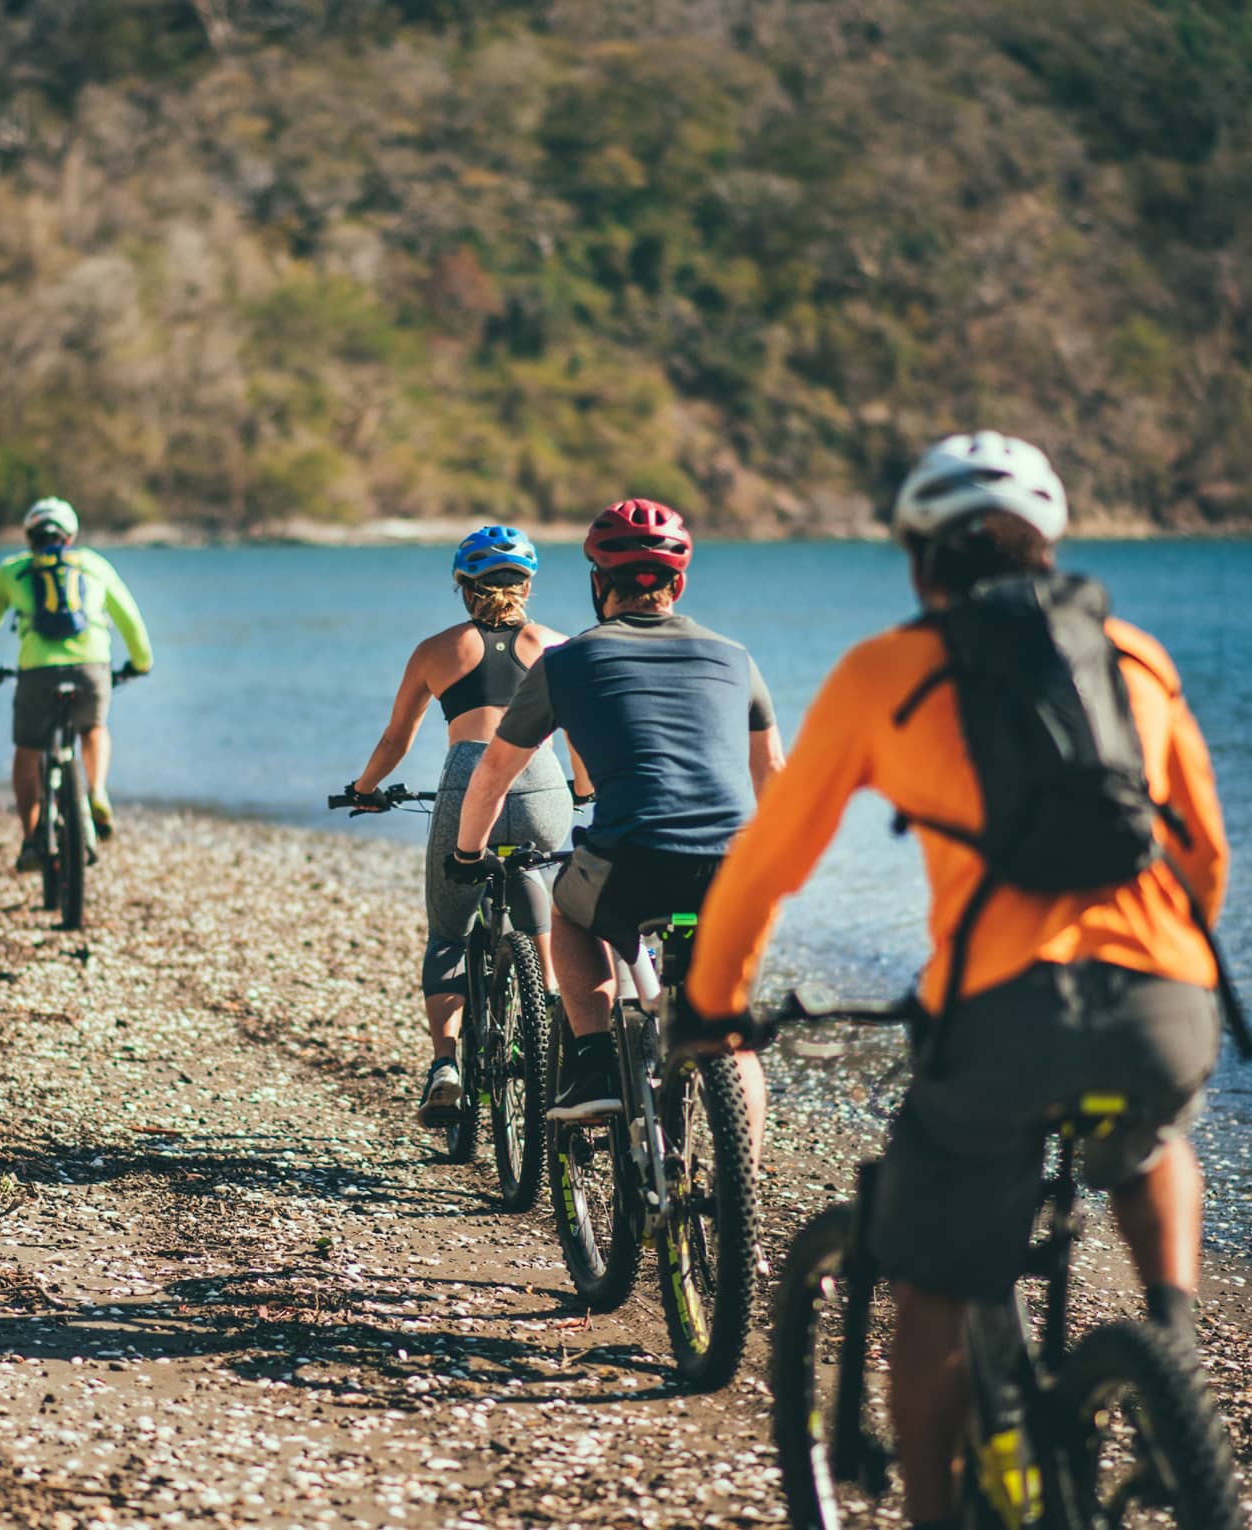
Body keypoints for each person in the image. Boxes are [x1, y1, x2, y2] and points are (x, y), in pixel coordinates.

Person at [684, 433, 1229, 1530]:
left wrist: (711, 1008)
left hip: (1006, 1012)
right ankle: (1170, 1356)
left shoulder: (891, 669)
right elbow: (1204, 855)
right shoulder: (1135, 657)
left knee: (937, 1282)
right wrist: (1159, 975)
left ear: (921, 558)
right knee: (1151, 1136)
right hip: (1167, 995)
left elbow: (766, 861)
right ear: (1049, 543)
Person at [447, 499, 786, 1143]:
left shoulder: (567, 662)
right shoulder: (735, 658)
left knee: (569, 907)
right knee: (729, 1031)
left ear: (598, 584)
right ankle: (740, 1220)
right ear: (678, 585)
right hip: (737, 869)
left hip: (634, 859)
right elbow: (775, 777)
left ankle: (595, 1063)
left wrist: (466, 856)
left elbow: (493, 774)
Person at [347, 526, 589, 1125]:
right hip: (538, 784)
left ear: (462, 586)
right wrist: (582, 790)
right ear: (527, 585)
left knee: (450, 932)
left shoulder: (435, 650)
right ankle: (553, 1039)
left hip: (464, 782)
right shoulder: (561, 647)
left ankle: (447, 1064)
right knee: (540, 911)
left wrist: (364, 790)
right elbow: (577, 736)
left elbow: (395, 739)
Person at [0, 497, 154, 871]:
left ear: (29, 535)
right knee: (93, 727)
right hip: (92, 666)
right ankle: (96, 790)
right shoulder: (95, 566)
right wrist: (140, 663)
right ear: (71, 536)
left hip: (37, 672)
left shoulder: (12, 570)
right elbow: (130, 619)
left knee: (27, 752)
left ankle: (33, 839)